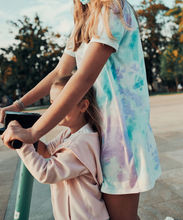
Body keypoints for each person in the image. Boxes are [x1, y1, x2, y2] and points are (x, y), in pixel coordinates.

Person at [0, 0, 161, 220]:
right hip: (100, 131)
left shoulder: (112, 8)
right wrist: (18, 105)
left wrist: (34, 133)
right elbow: (60, 73)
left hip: (121, 133)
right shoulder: (84, 19)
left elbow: (83, 79)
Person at [3, 76, 109, 220]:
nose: (54, 110)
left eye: (61, 104)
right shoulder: (68, 134)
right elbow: (46, 151)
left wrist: (22, 144)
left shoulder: (83, 143)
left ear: (83, 106)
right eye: (52, 104)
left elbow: (46, 172)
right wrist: (22, 132)